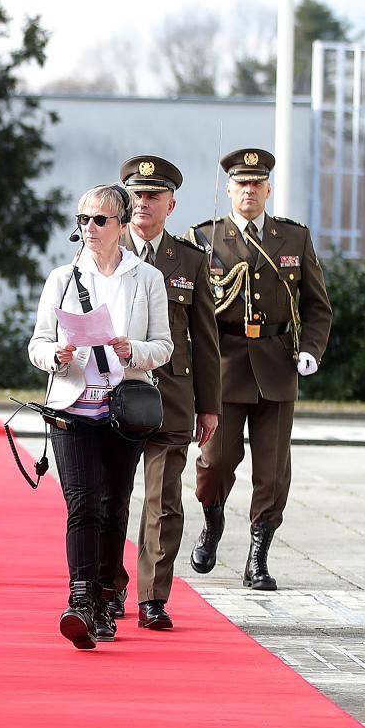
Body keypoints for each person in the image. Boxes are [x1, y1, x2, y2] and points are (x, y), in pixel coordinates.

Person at [28, 183, 172, 650]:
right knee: (82, 504)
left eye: (100, 220)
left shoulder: (146, 278)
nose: (89, 228)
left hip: (124, 406)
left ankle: (109, 594)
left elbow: (164, 348)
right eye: (83, 219)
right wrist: (56, 355)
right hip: (72, 407)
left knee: (113, 505)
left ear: (123, 224)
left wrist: (135, 350)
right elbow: (37, 343)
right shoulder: (62, 279)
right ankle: (81, 601)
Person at [188, 148, 333, 590]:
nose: (249, 191)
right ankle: (212, 523)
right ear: (229, 189)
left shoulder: (293, 239)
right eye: (241, 184)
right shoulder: (203, 238)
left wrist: (310, 348)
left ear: (268, 189)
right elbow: (190, 309)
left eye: (257, 184)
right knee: (215, 461)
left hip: (275, 363)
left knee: (271, 471)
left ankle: (258, 555)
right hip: (225, 363)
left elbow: (317, 306)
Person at [109, 155, 220, 630]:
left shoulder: (190, 261)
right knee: (110, 497)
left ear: (171, 205)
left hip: (170, 396)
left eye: (153, 196)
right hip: (112, 390)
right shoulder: (105, 252)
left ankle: (152, 597)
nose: (142, 203)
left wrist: (209, 406)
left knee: (164, 501)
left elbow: (207, 339)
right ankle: (108, 590)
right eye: (135, 195)